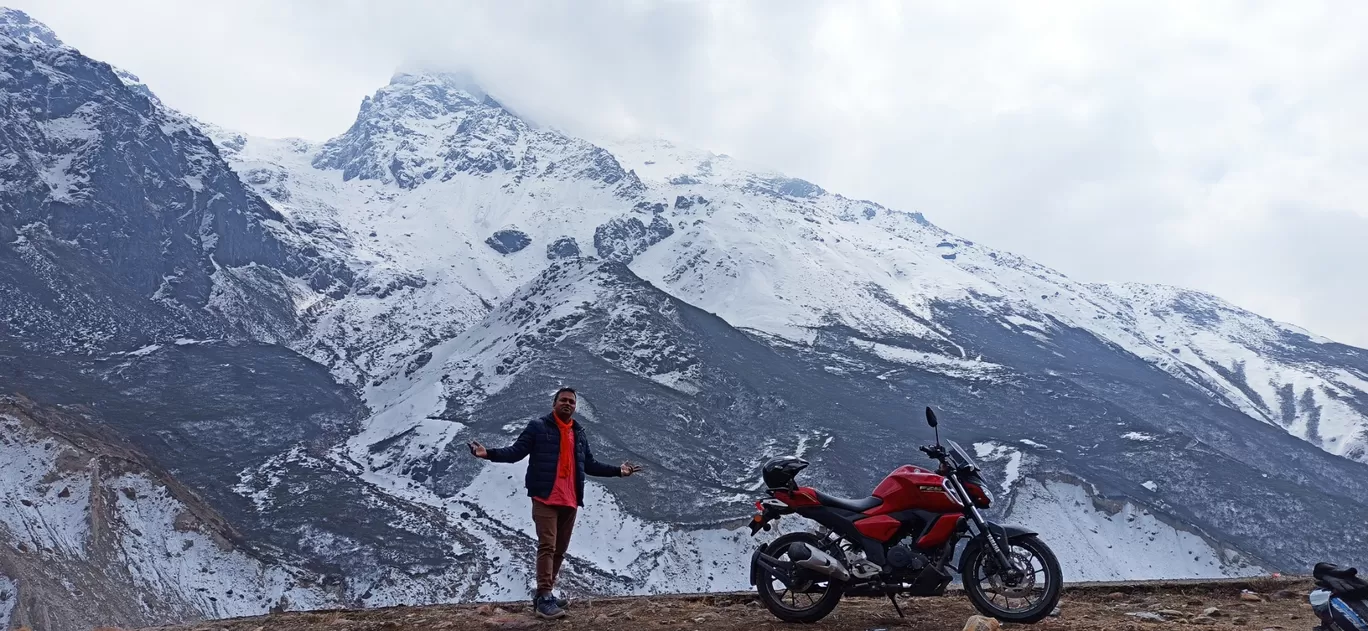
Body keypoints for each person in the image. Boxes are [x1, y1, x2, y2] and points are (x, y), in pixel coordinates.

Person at [467, 387, 643, 619]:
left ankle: (544, 595)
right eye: (563, 400)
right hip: (545, 497)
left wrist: (618, 472)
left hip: (570, 499)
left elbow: (589, 464)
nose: (568, 404)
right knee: (547, 545)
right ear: (554, 403)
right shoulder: (538, 428)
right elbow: (516, 452)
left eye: (571, 401)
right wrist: (487, 453)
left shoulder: (579, 433)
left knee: (559, 549)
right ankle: (544, 596)